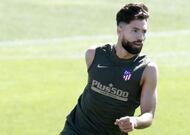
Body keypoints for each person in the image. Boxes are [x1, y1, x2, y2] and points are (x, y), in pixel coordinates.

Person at [60, 3, 158, 135]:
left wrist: (135, 121)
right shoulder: (94, 55)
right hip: (75, 130)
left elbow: (148, 115)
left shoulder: (147, 69)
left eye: (143, 31)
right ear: (119, 30)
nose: (140, 37)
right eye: (135, 30)